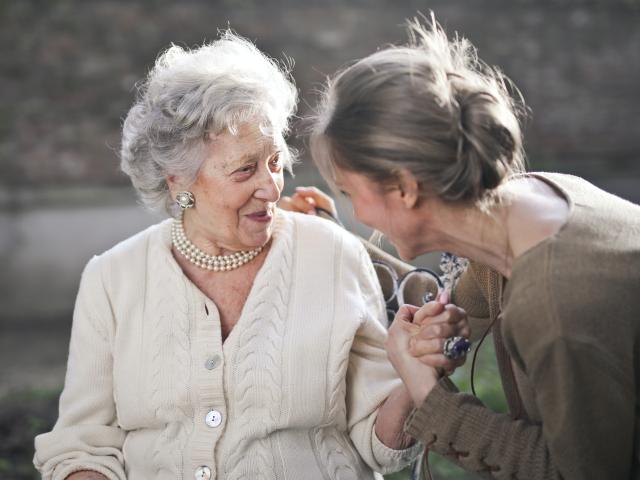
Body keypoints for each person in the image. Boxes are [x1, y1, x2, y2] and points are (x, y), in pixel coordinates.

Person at [33, 32, 469, 480]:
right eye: (245, 169)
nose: (271, 187)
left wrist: (414, 375)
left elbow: (382, 446)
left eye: (275, 162)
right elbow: (81, 445)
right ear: (179, 181)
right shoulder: (112, 278)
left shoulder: (331, 255)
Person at [291, 15, 640, 480]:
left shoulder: (555, 303)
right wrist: (327, 236)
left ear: (405, 188)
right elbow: (449, 300)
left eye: (350, 193)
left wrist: (431, 400)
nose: (359, 212)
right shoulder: (530, 203)